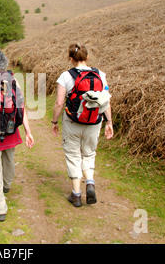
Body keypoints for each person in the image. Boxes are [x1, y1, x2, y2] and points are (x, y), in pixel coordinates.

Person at [51, 43, 114, 207]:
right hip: (94, 121)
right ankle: (90, 183)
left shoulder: (66, 76)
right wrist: (109, 122)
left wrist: (54, 121)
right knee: (89, 153)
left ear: (71, 59)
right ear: (87, 57)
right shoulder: (100, 74)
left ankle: (77, 195)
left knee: (73, 155)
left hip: (72, 121)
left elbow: (59, 103)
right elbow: (105, 100)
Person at [0, 47, 34, 222]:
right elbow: (21, 107)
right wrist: (28, 132)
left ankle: (0, 209)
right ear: (4, 62)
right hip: (10, 127)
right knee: (9, 159)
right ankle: (6, 185)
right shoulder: (13, 79)